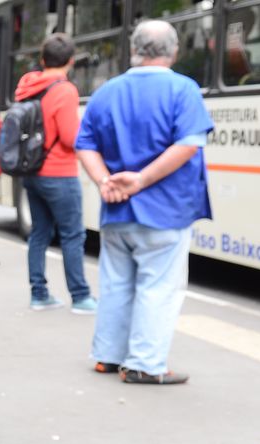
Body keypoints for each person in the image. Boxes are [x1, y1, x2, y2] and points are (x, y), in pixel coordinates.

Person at [76, 20, 213, 385]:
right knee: (159, 287)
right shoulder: (183, 89)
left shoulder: (107, 91)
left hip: (116, 209)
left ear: (134, 48)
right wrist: (141, 180)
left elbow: (85, 145)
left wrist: (106, 181)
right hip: (165, 209)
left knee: (117, 283)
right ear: (173, 50)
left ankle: (107, 355)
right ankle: (145, 363)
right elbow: (187, 144)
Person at [14, 33, 97, 314]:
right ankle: (81, 296)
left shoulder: (26, 86)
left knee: (39, 233)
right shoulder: (65, 89)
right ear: (71, 61)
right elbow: (70, 137)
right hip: (59, 173)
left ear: (41, 59)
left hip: (32, 171)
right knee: (73, 235)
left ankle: (39, 294)